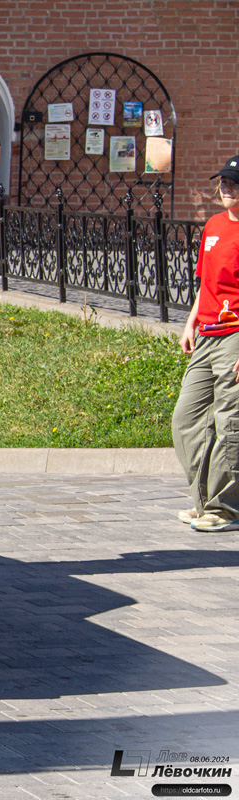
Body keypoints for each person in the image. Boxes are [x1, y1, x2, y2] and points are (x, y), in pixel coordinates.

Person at [172, 155, 239, 532]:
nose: (226, 188)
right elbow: (205, 283)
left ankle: (226, 507)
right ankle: (205, 500)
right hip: (208, 333)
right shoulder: (214, 225)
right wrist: (190, 321)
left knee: (230, 421)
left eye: (233, 183)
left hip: (236, 333)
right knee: (186, 419)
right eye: (223, 182)